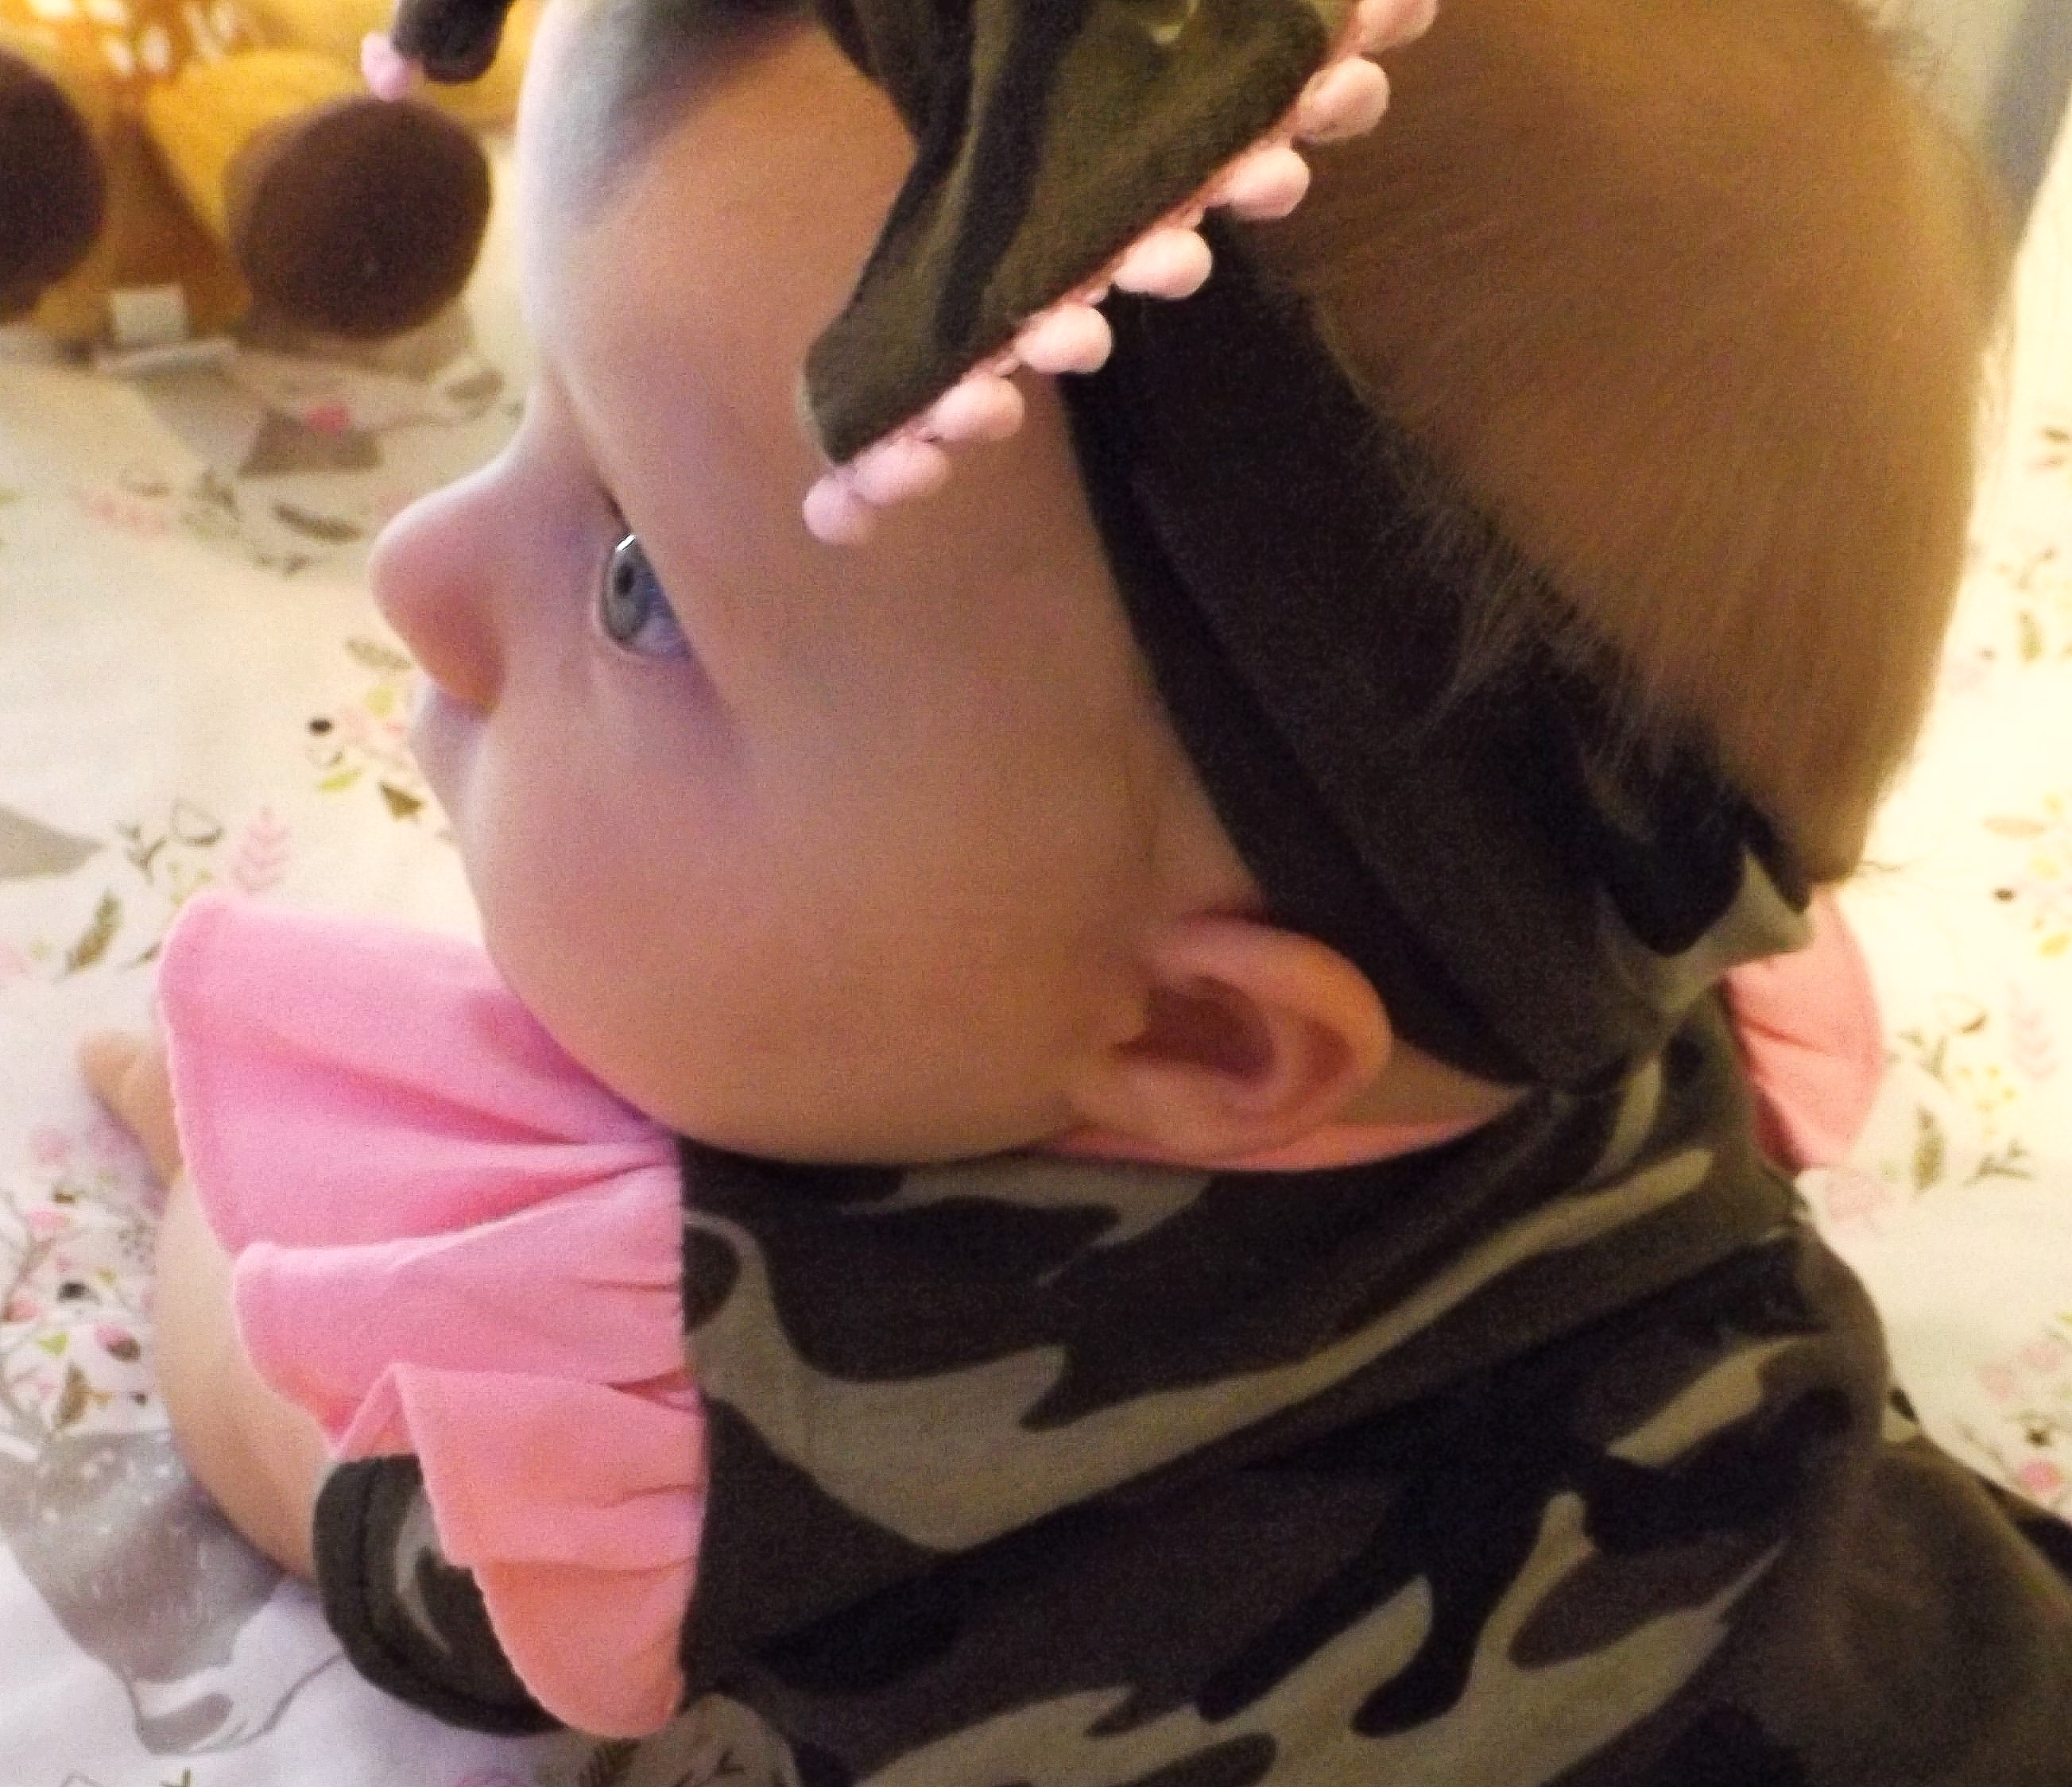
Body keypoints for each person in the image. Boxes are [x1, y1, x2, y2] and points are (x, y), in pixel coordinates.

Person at [84, 0, 2072, 1777]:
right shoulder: (1573, 978)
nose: (416, 576)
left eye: (640, 588)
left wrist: (219, 1194)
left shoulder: (740, 1379)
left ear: (1202, 1033)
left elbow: (322, 1453)